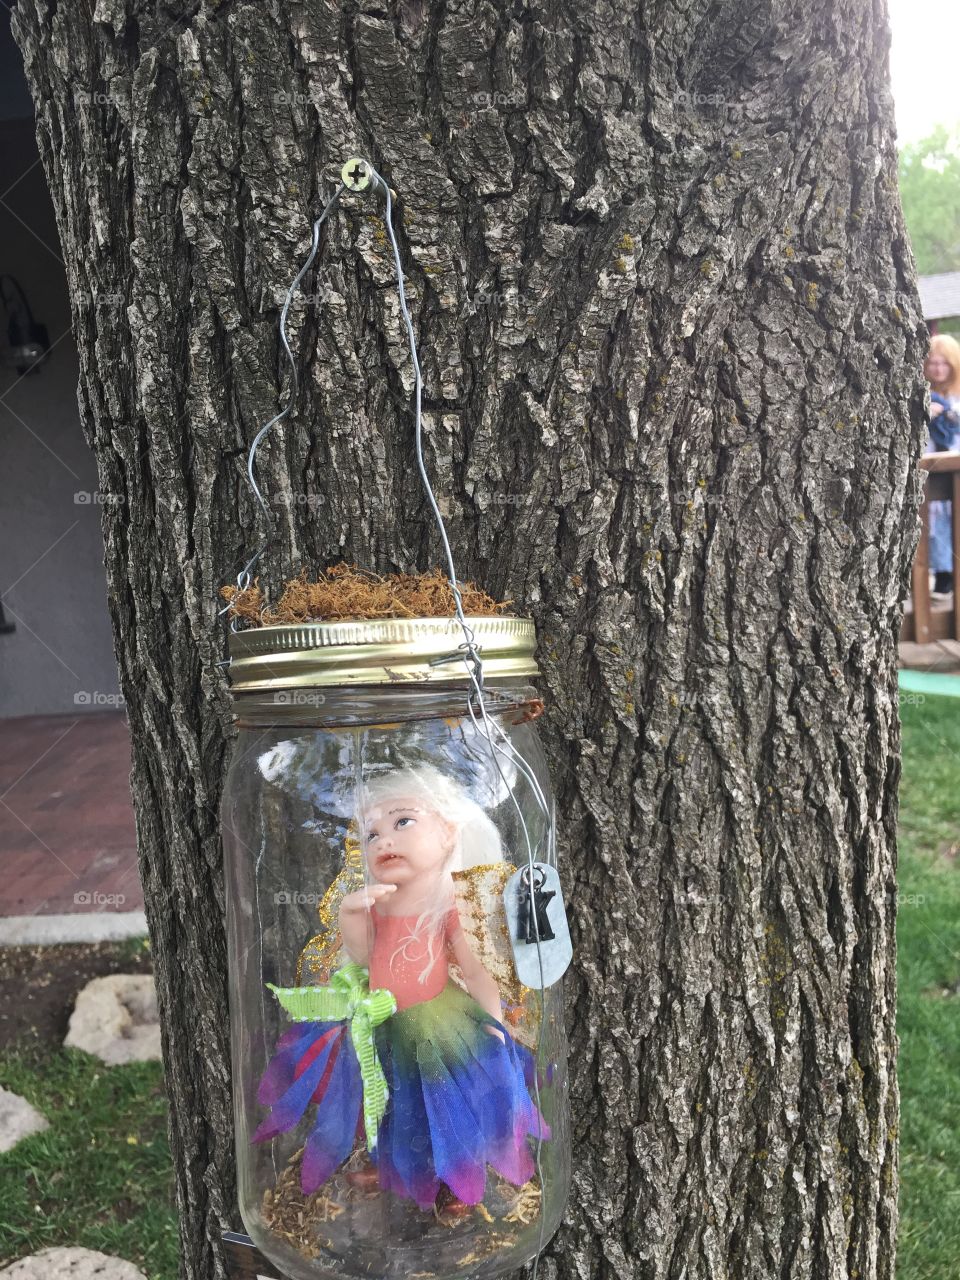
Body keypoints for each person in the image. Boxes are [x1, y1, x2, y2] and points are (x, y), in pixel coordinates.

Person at [253, 765, 548, 1210]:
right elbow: (365, 957)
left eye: (402, 822)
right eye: (371, 835)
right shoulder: (380, 903)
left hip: (440, 1028)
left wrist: (493, 1020)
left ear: (449, 833)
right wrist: (352, 918)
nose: (384, 840)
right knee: (386, 1099)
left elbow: (474, 968)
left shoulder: (450, 905)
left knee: (445, 1108)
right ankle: (388, 1165)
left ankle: (455, 1178)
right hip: (383, 1021)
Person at [924, 335, 960, 595]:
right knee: (936, 526)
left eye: (944, 363)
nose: (938, 369)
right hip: (931, 468)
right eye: (933, 363)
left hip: (955, 465)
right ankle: (943, 574)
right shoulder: (920, 395)